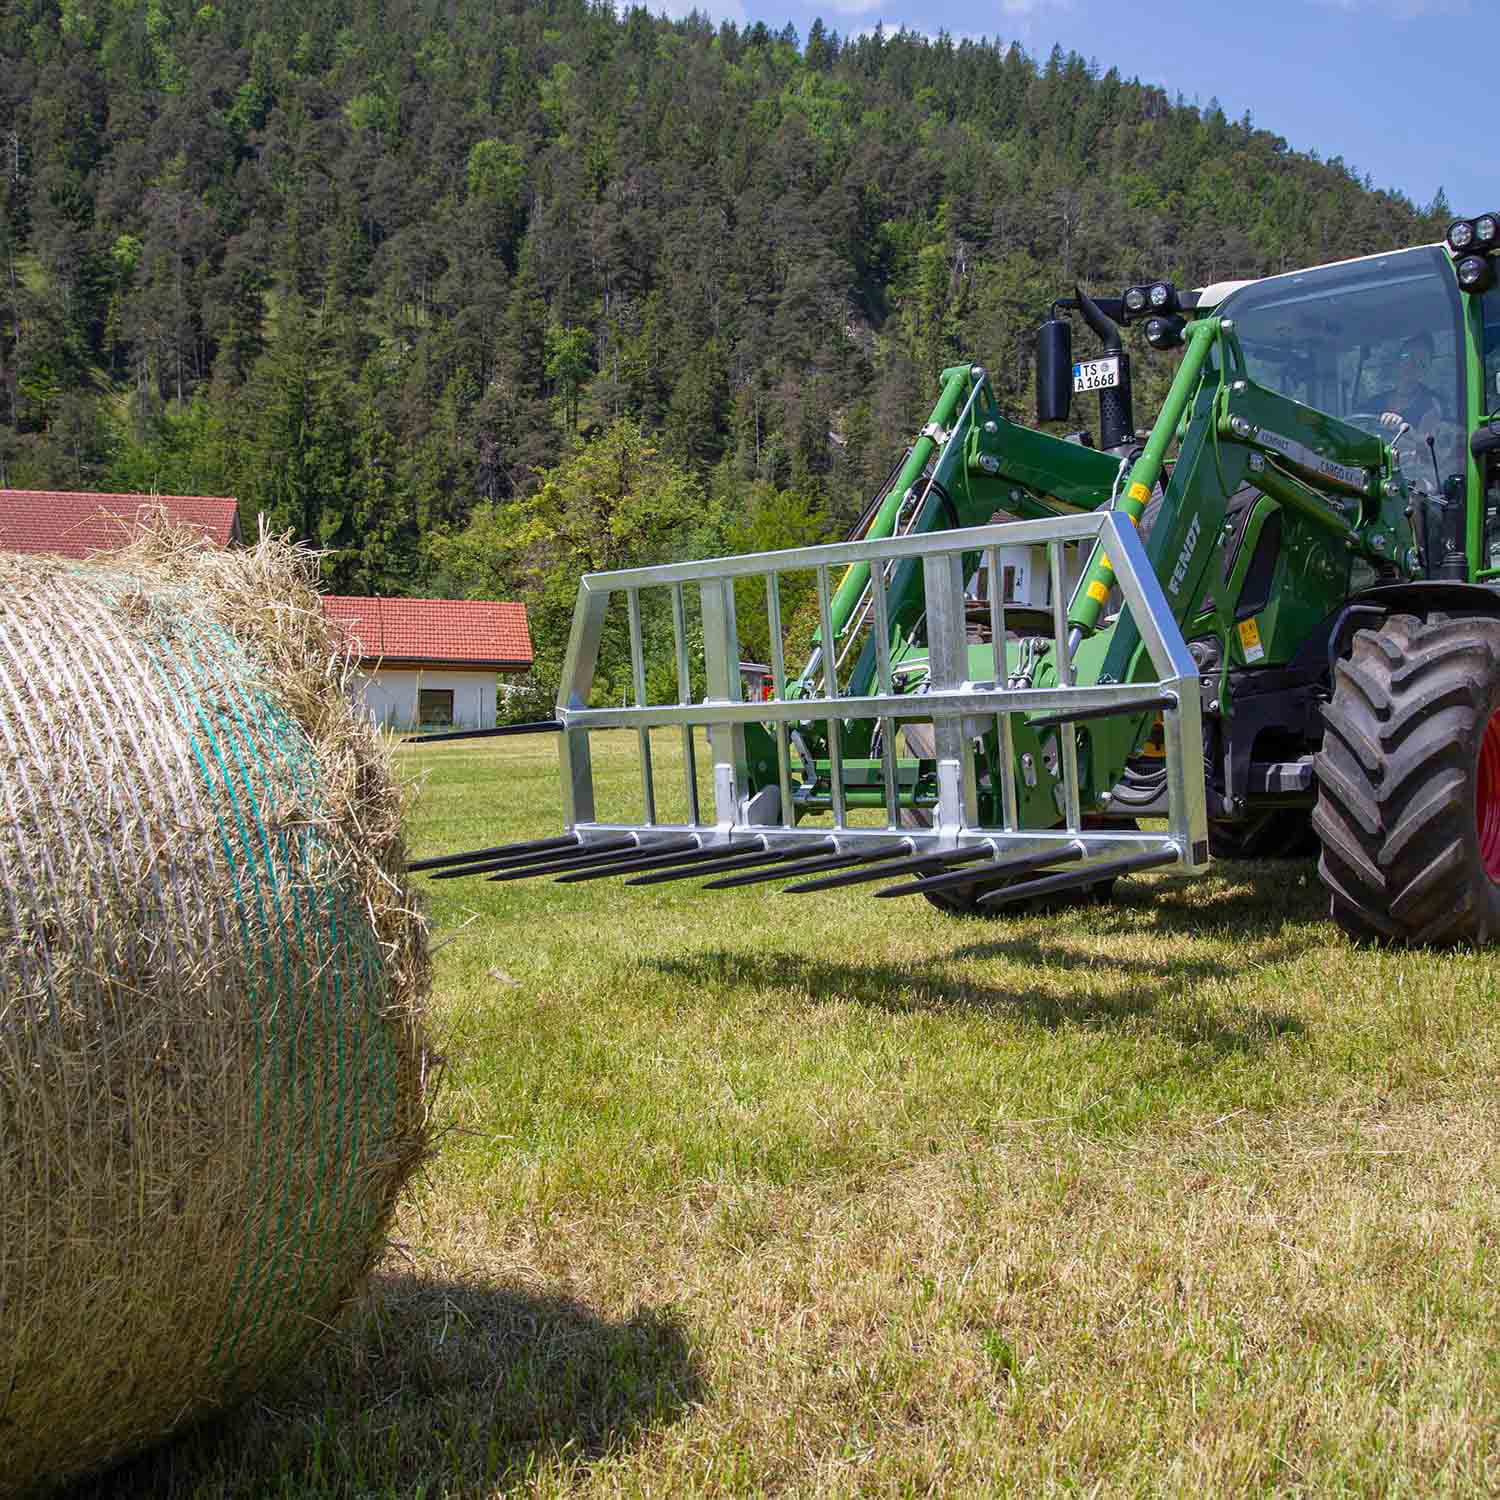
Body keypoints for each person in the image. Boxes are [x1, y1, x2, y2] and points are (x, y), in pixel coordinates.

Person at [1374, 332, 1444, 446]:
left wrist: (1411, 435)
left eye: (1421, 362)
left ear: (1426, 371)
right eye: (1408, 357)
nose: (1412, 365)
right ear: (1397, 361)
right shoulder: (1373, 403)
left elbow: (1436, 448)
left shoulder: (1433, 405)